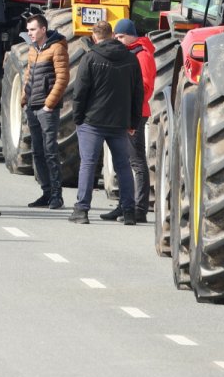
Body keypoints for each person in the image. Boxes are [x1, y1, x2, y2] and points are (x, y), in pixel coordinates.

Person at [68, 21, 142, 225]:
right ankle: (128, 211)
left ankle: (82, 210)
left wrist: (78, 118)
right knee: (123, 166)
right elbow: (137, 93)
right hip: (119, 122)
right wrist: (133, 121)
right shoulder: (131, 59)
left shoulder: (90, 58)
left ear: (94, 37)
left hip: (92, 121)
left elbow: (80, 92)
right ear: (112, 35)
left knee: (88, 164)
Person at [21, 12, 70, 209]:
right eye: (28, 30)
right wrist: (24, 98)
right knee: (37, 152)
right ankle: (46, 192)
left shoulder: (57, 48)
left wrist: (49, 104)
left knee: (50, 151)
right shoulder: (33, 49)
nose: (30, 33)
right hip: (32, 107)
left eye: (33, 30)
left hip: (47, 109)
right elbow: (28, 75)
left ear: (43, 29)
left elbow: (62, 78)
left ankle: (57, 196)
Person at [113, 18, 158, 222]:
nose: (118, 40)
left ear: (132, 35)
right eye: (116, 37)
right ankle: (124, 205)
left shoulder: (142, 55)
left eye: (121, 37)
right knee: (124, 160)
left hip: (136, 113)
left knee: (136, 160)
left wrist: (130, 109)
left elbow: (145, 87)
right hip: (125, 111)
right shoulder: (129, 52)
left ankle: (140, 208)